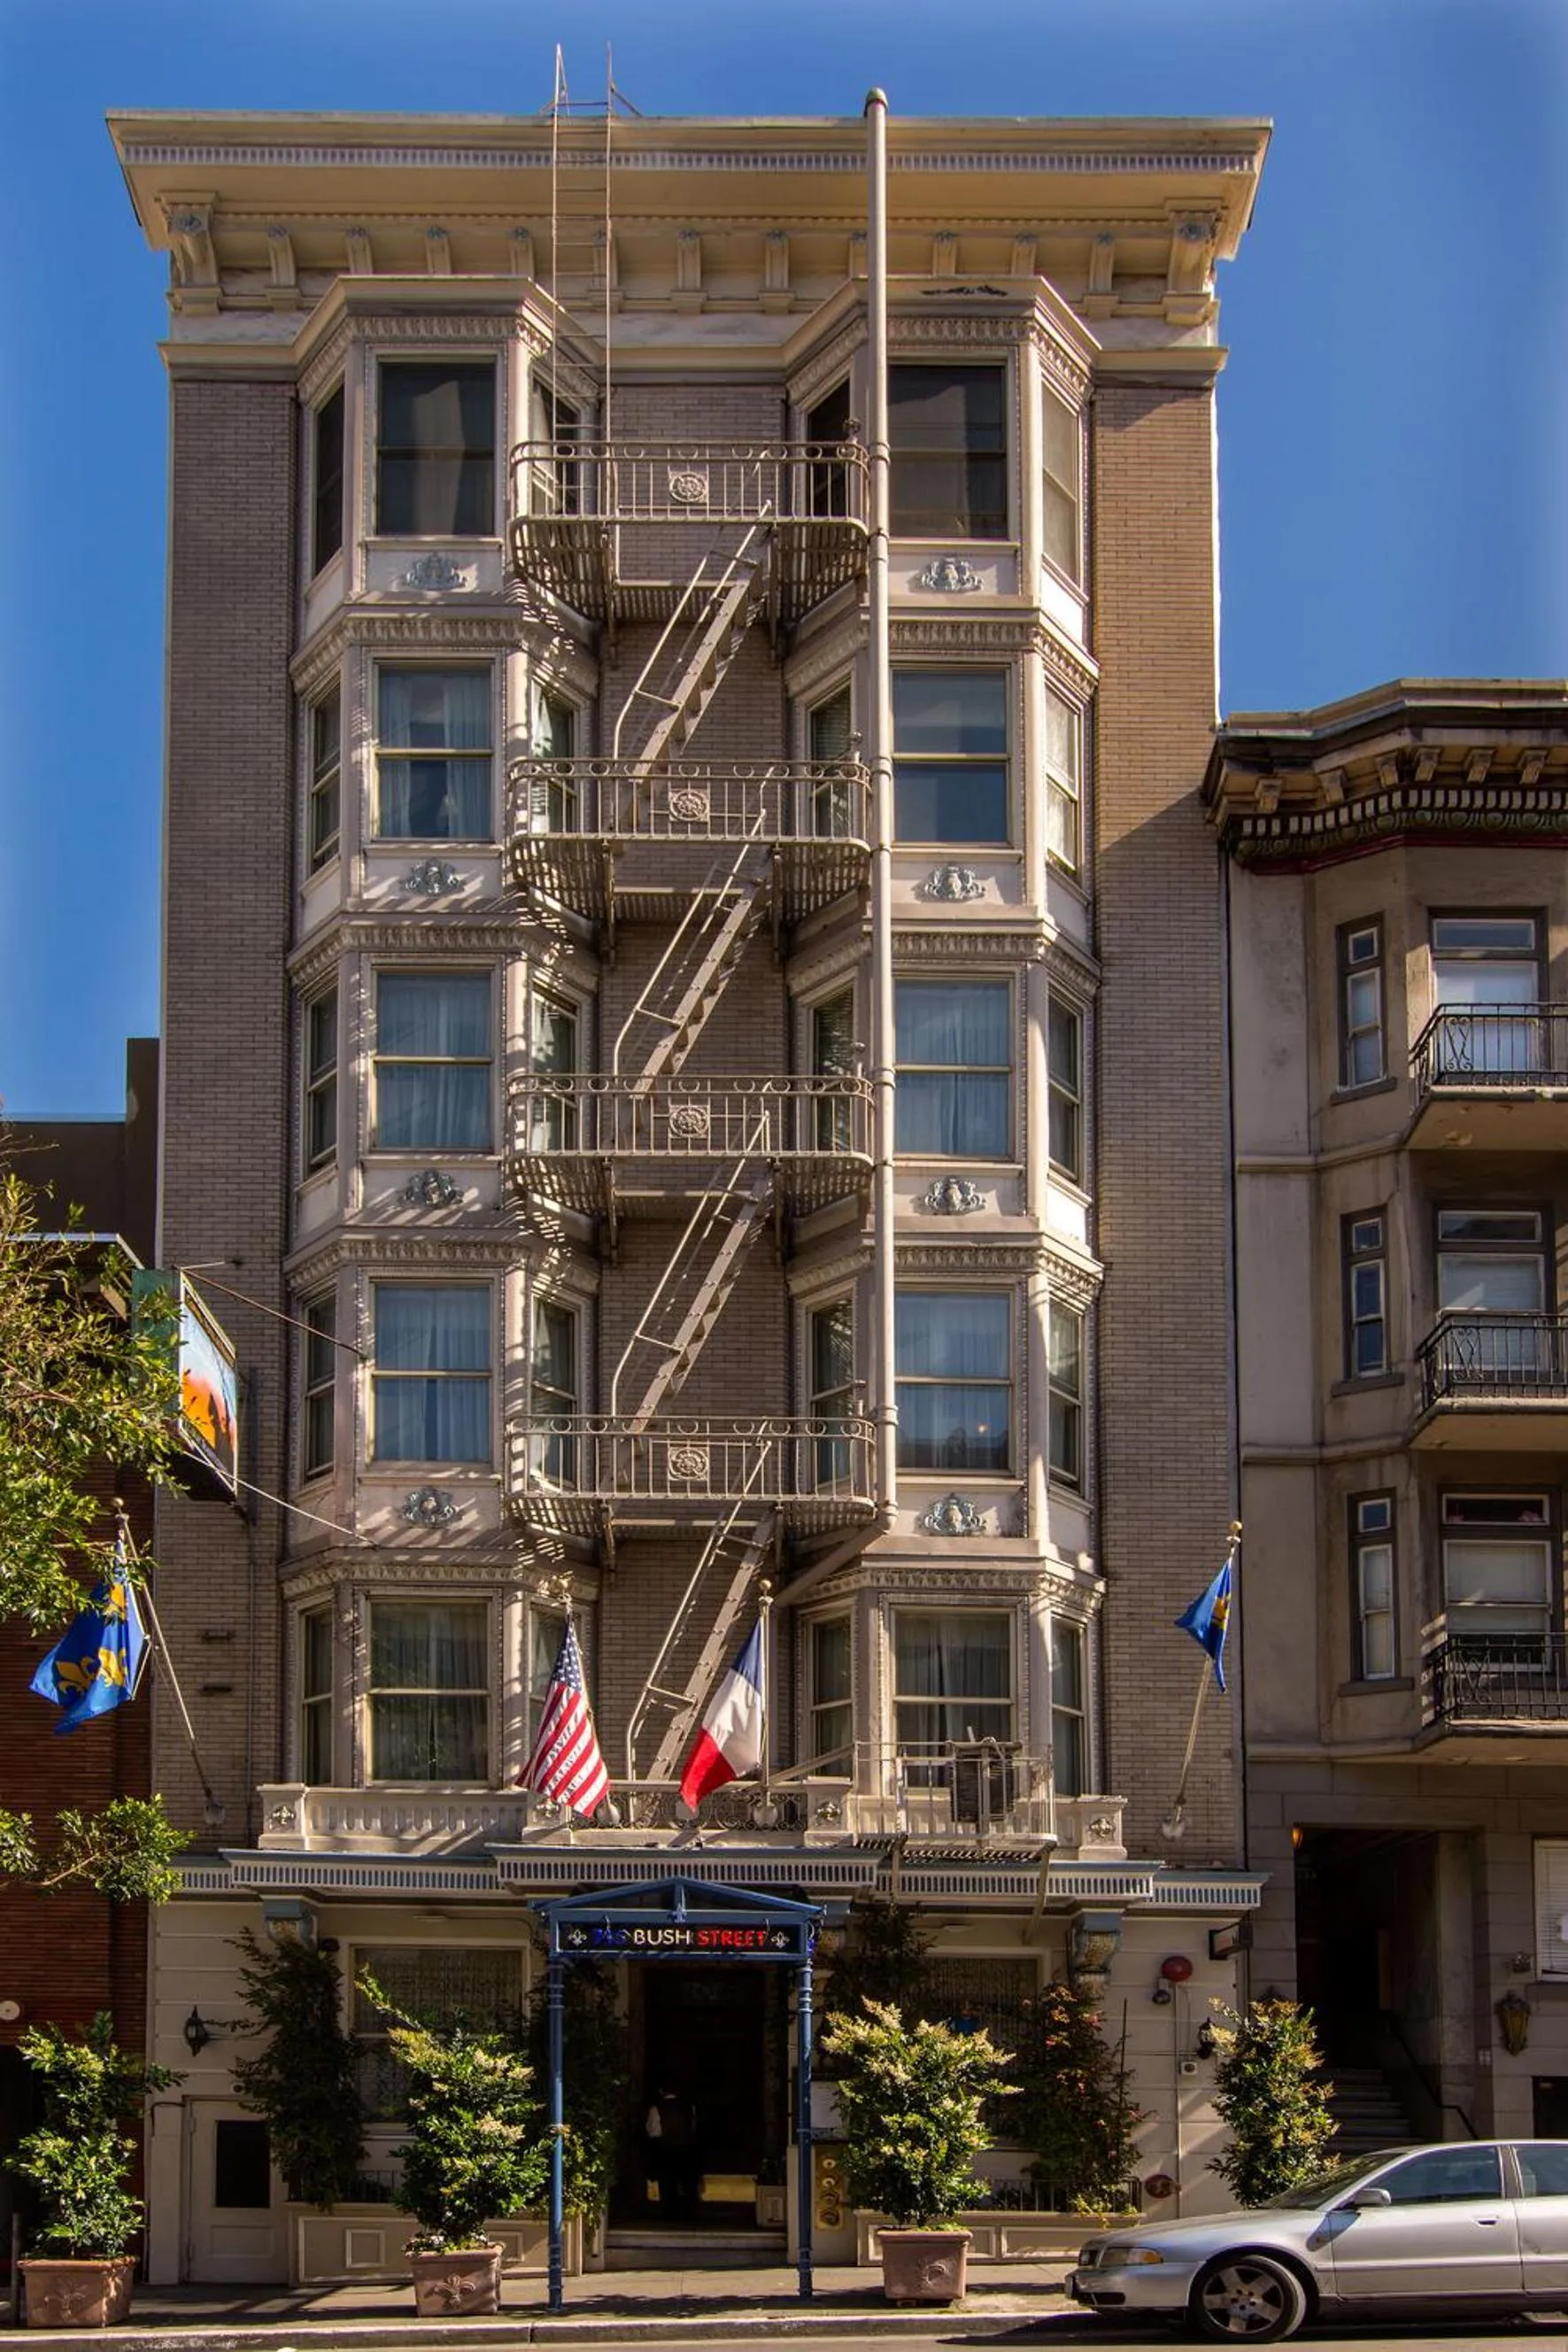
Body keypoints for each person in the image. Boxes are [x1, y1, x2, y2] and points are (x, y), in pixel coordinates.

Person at [645, 2084, 699, 2221]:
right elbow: (693, 2127)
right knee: (688, 2182)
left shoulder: (657, 2108)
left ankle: (670, 2212)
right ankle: (690, 2212)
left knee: (667, 2182)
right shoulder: (688, 2107)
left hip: (666, 2148)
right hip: (686, 2148)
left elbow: (654, 2131)